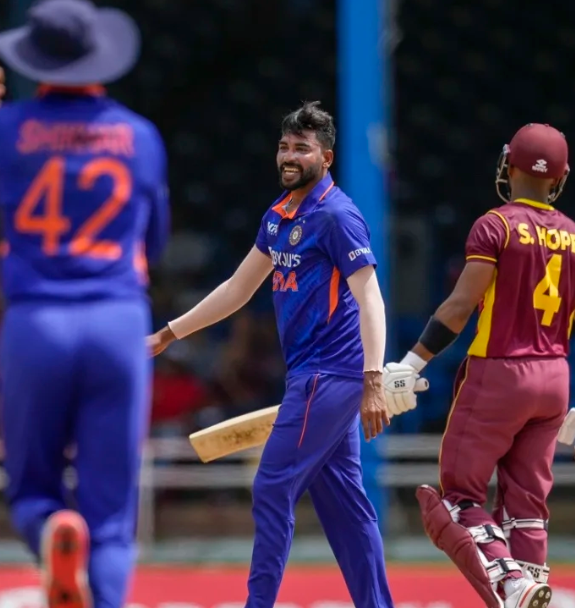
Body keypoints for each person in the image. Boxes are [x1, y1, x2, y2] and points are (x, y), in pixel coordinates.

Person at [0, 1, 168, 607]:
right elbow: (157, 241)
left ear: (33, 60)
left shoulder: (10, 128)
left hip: (35, 322)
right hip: (118, 322)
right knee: (113, 515)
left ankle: (51, 530)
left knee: (31, 486)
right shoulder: (141, 138)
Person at [149, 102, 396, 608]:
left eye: (301, 148)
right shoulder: (280, 215)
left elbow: (371, 296)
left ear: (325, 158)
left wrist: (373, 380)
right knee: (346, 508)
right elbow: (238, 288)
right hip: (313, 377)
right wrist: (168, 335)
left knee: (270, 488)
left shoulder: (336, 215)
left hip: (331, 376)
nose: (289, 156)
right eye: (284, 146)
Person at [381, 124, 575, 608]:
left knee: (457, 500)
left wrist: (409, 362)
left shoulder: (496, 225)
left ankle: (512, 584)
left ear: (508, 165)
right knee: (527, 511)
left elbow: (460, 306)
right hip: (554, 379)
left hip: (499, 375)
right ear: (561, 177)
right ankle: (531, 589)